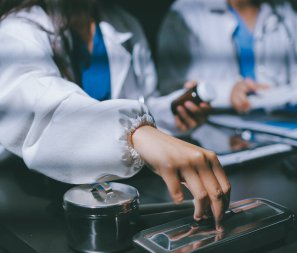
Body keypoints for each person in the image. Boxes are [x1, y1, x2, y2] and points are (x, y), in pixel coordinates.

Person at [0, 0, 230, 230]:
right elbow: (38, 107)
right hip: (35, 198)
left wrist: (173, 114)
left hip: (115, 194)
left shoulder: (125, 24)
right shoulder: (17, 30)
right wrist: (134, 133)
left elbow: (142, 103)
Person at [157, 0, 297, 114]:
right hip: (215, 136)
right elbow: (169, 90)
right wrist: (225, 92)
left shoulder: (284, 12)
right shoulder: (186, 12)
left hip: (279, 128)